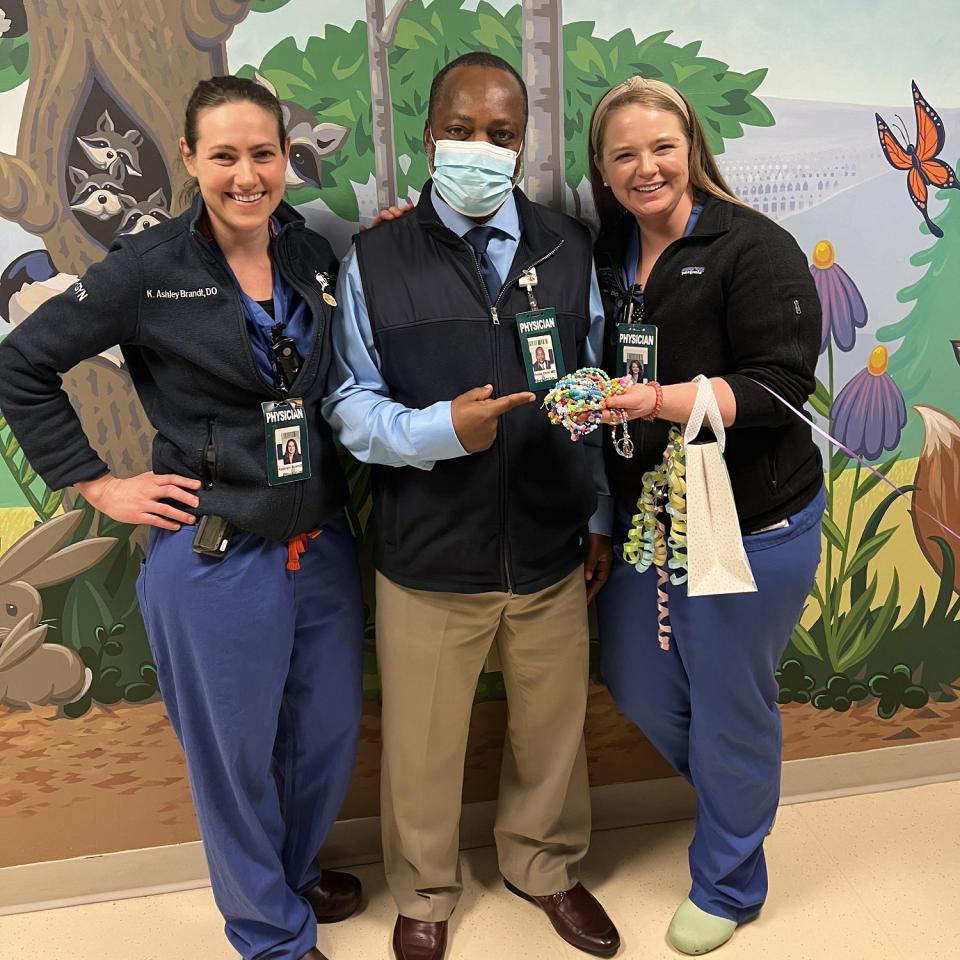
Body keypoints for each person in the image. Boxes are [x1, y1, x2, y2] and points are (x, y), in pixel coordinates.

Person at [0, 76, 365, 960]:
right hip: (216, 555)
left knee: (322, 736)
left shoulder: (312, 251)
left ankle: (291, 869)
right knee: (233, 757)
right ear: (193, 159)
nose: (248, 175)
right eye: (227, 155)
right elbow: (21, 367)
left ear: (287, 159)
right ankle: (269, 931)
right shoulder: (148, 268)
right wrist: (96, 483)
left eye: (265, 154)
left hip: (318, 547)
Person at [324, 52, 620, 960]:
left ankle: (545, 864)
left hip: (548, 545)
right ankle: (423, 891)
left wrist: (599, 513)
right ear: (428, 136)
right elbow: (345, 405)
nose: (479, 149)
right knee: (419, 749)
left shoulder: (570, 251)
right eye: (461, 130)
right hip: (428, 556)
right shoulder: (379, 254)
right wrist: (440, 430)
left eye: (500, 136)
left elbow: (598, 389)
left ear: (523, 145)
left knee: (552, 732)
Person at [588, 76, 824, 955]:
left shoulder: (753, 248)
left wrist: (657, 400)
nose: (646, 167)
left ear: (691, 148)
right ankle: (741, 794)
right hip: (650, 519)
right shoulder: (608, 252)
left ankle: (732, 877)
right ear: (603, 172)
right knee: (636, 677)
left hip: (747, 519)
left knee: (731, 707)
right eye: (625, 155)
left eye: (662, 146)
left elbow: (780, 389)